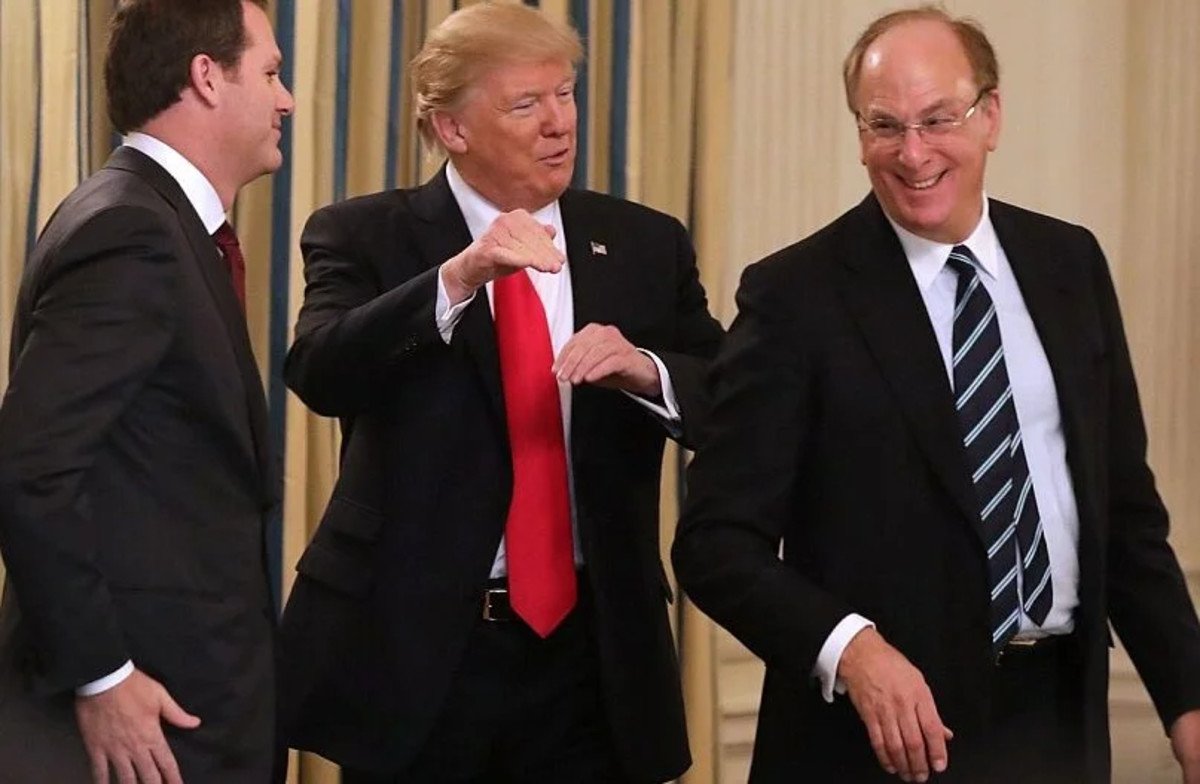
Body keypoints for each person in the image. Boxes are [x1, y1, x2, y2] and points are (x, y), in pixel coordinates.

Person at [673, 6, 1200, 783]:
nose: (912, 153)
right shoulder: (796, 297)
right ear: (860, 135)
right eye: (884, 126)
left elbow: (1125, 512)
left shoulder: (1069, 263)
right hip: (876, 743)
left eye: (937, 119)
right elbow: (714, 544)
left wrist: (1187, 700)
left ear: (991, 116)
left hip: (1060, 724)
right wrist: (852, 649)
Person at [276, 4, 722, 783]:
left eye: (566, 94)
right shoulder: (365, 235)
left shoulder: (645, 241)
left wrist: (646, 370)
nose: (559, 123)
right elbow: (321, 371)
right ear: (452, 128)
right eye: (526, 104)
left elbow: (733, 398)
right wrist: (457, 280)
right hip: (424, 659)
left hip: (595, 656)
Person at [0, 1, 294, 781]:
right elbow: (31, 469)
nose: (287, 99)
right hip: (142, 728)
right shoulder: (131, 231)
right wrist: (101, 676)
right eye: (270, 73)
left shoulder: (150, 218)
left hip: (187, 707)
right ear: (206, 77)